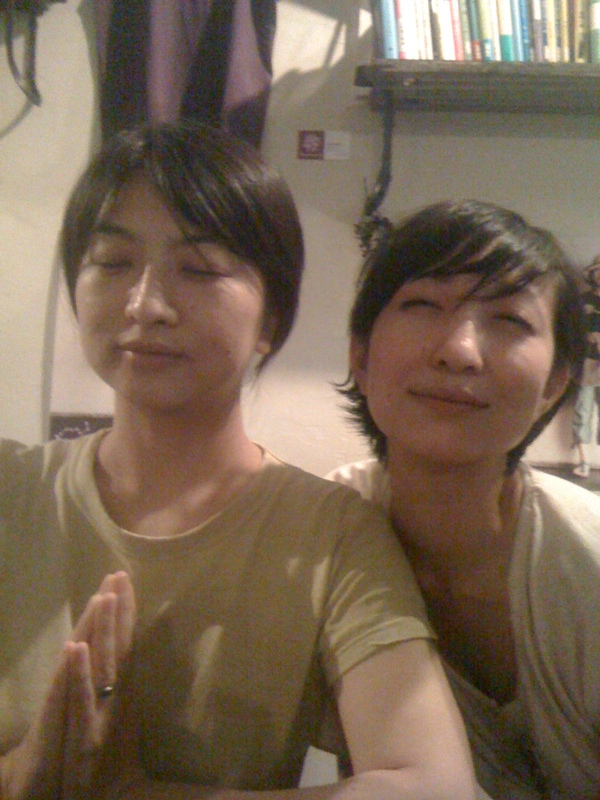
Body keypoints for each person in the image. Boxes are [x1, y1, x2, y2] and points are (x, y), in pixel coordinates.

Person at [0, 123, 477, 800]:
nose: (146, 304)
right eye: (111, 262)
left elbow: (434, 786)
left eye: (199, 269)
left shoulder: (329, 534)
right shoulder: (11, 489)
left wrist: (136, 795)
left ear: (271, 320)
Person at [329, 199, 600, 800]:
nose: (460, 350)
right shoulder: (327, 530)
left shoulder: (586, 562)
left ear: (555, 384)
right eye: (424, 305)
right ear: (360, 356)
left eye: (509, 319)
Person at [571, 257, 600, 478]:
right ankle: (583, 460)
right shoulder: (583, 300)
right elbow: (573, 330)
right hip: (588, 361)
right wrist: (589, 337)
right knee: (582, 408)